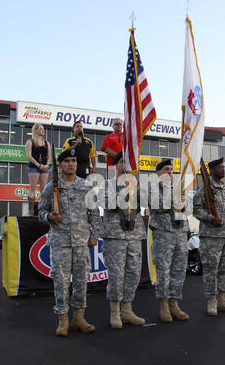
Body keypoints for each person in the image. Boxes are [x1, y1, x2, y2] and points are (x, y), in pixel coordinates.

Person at [38, 149, 101, 337]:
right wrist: (48, 216)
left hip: (81, 242)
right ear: (60, 165)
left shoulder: (86, 186)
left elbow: (94, 213)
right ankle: (63, 319)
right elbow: (40, 211)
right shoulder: (51, 187)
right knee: (61, 282)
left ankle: (79, 317)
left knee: (81, 282)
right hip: (60, 242)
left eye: (73, 160)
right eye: (66, 161)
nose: (71, 164)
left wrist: (94, 235)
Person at [99, 151, 146, 329]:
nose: (125, 166)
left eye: (128, 163)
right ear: (116, 165)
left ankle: (127, 310)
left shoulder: (137, 185)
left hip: (134, 235)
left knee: (133, 274)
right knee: (116, 275)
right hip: (115, 235)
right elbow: (105, 204)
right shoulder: (107, 184)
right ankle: (115, 313)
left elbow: (150, 202)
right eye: (122, 162)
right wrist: (123, 190)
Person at [193, 157, 225, 316]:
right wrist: (211, 218)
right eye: (219, 167)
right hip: (211, 238)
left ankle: (223, 299)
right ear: (211, 171)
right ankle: (212, 301)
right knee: (211, 270)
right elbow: (197, 211)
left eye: (223, 167)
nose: (223, 169)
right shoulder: (203, 190)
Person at [148, 159, 189, 323]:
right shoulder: (152, 188)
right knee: (163, 272)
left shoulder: (179, 188)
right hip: (164, 234)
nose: (170, 172)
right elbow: (158, 206)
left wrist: (183, 200)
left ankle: (174, 303)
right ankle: (163, 305)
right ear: (158, 173)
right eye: (166, 169)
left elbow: (188, 209)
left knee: (179, 271)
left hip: (180, 233)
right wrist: (173, 197)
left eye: (171, 169)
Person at [25, 124, 51, 216]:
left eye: (43, 129)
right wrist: (38, 165)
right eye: (40, 129)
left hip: (44, 168)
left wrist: (47, 165)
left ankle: (42, 211)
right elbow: (29, 156)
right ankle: (31, 212)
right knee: (33, 187)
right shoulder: (30, 141)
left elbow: (49, 156)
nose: (42, 130)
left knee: (43, 189)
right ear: (35, 130)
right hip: (34, 167)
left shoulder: (46, 142)